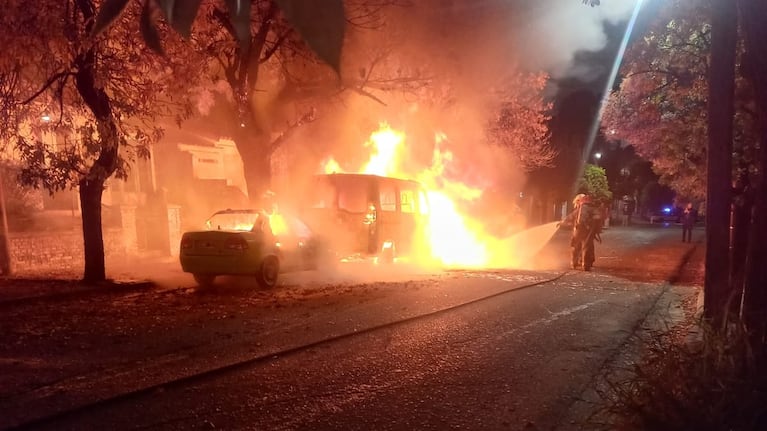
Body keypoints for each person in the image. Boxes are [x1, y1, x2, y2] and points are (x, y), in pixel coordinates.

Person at [561, 193, 602, 271]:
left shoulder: (580, 209)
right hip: (588, 231)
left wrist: (563, 222)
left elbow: (571, 216)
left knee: (575, 246)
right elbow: (598, 217)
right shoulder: (592, 208)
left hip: (578, 230)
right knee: (586, 247)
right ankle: (585, 265)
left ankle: (574, 263)